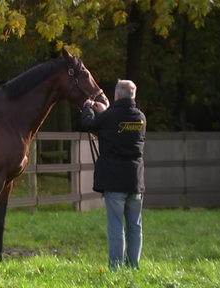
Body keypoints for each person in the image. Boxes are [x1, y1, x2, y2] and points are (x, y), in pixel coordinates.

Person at [80, 79, 146, 270]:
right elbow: (118, 126)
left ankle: (115, 268)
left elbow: (87, 124)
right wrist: (106, 111)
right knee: (135, 226)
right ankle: (133, 266)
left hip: (115, 182)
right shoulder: (141, 118)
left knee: (116, 227)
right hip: (135, 181)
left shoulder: (109, 117)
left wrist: (88, 107)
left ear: (116, 95)